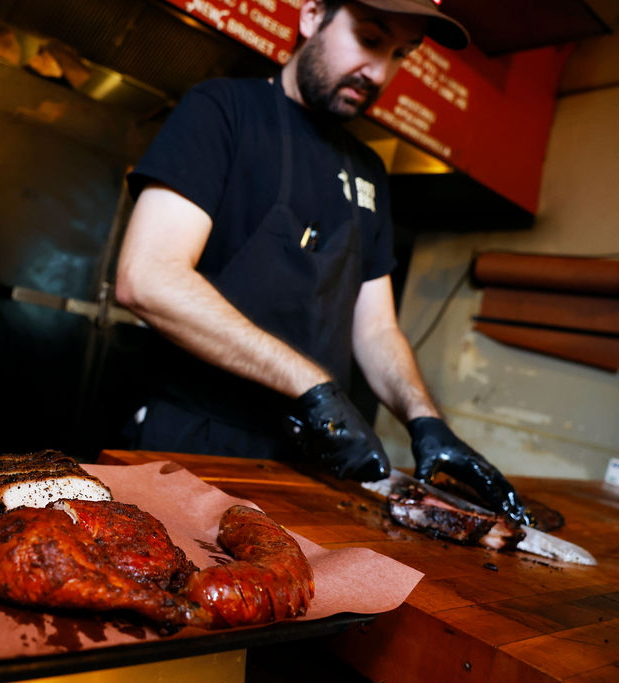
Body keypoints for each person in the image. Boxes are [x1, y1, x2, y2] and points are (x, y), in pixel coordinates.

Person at [115, 0, 532, 525]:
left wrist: (426, 420)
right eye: (371, 39)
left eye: (401, 54)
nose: (380, 72)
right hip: (192, 445)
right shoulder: (223, 109)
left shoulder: (369, 171)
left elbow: (378, 329)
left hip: (306, 464)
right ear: (312, 15)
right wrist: (312, 386)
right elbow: (147, 277)